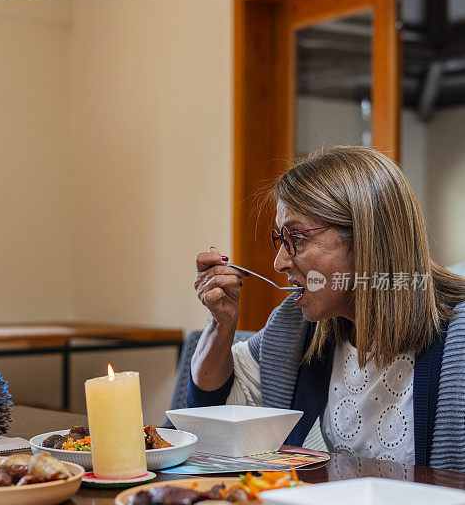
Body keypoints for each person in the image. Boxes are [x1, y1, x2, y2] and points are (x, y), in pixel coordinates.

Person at [189, 146, 465, 472]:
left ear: (365, 239)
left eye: (298, 239)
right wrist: (221, 323)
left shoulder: (456, 341)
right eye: (281, 239)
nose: (279, 262)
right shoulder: (294, 327)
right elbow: (210, 421)